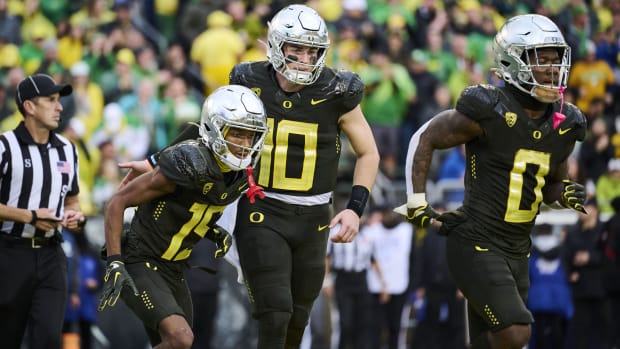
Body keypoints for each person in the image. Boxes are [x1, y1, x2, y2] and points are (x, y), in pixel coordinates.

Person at [395, 14, 587, 349]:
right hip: (476, 242)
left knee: (489, 342)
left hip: (518, 248)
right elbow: (423, 138)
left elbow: (551, 185)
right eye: (541, 59)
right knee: (516, 332)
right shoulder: (489, 109)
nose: (552, 69)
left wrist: (564, 192)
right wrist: (416, 201)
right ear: (511, 61)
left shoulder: (564, 124)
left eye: (556, 60)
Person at [229, 5, 379, 348]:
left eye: (313, 51)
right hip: (261, 208)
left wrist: (356, 207)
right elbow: (214, 133)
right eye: (296, 50)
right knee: (275, 311)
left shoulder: (338, 90)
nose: (305, 59)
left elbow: (368, 153)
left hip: (315, 216)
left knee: (297, 318)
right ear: (275, 46)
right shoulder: (248, 81)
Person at [96, 84, 269, 349]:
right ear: (215, 128)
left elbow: (189, 208)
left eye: (250, 136)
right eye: (237, 134)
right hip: (140, 260)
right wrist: (115, 262)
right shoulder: (189, 163)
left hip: (174, 269)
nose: (243, 144)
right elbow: (116, 202)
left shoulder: (238, 177)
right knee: (181, 339)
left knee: (176, 343)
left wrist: (212, 230)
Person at [0, 73, 86, 349]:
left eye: (59, 100)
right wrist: (31, 216)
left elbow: (72, 199)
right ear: (29, 106)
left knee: (49, 338)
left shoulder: (67, 150)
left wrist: (77, 217)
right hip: (10, 254)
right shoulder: (4, 147)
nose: (59, 106)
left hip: (52, 255)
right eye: (50, 100)